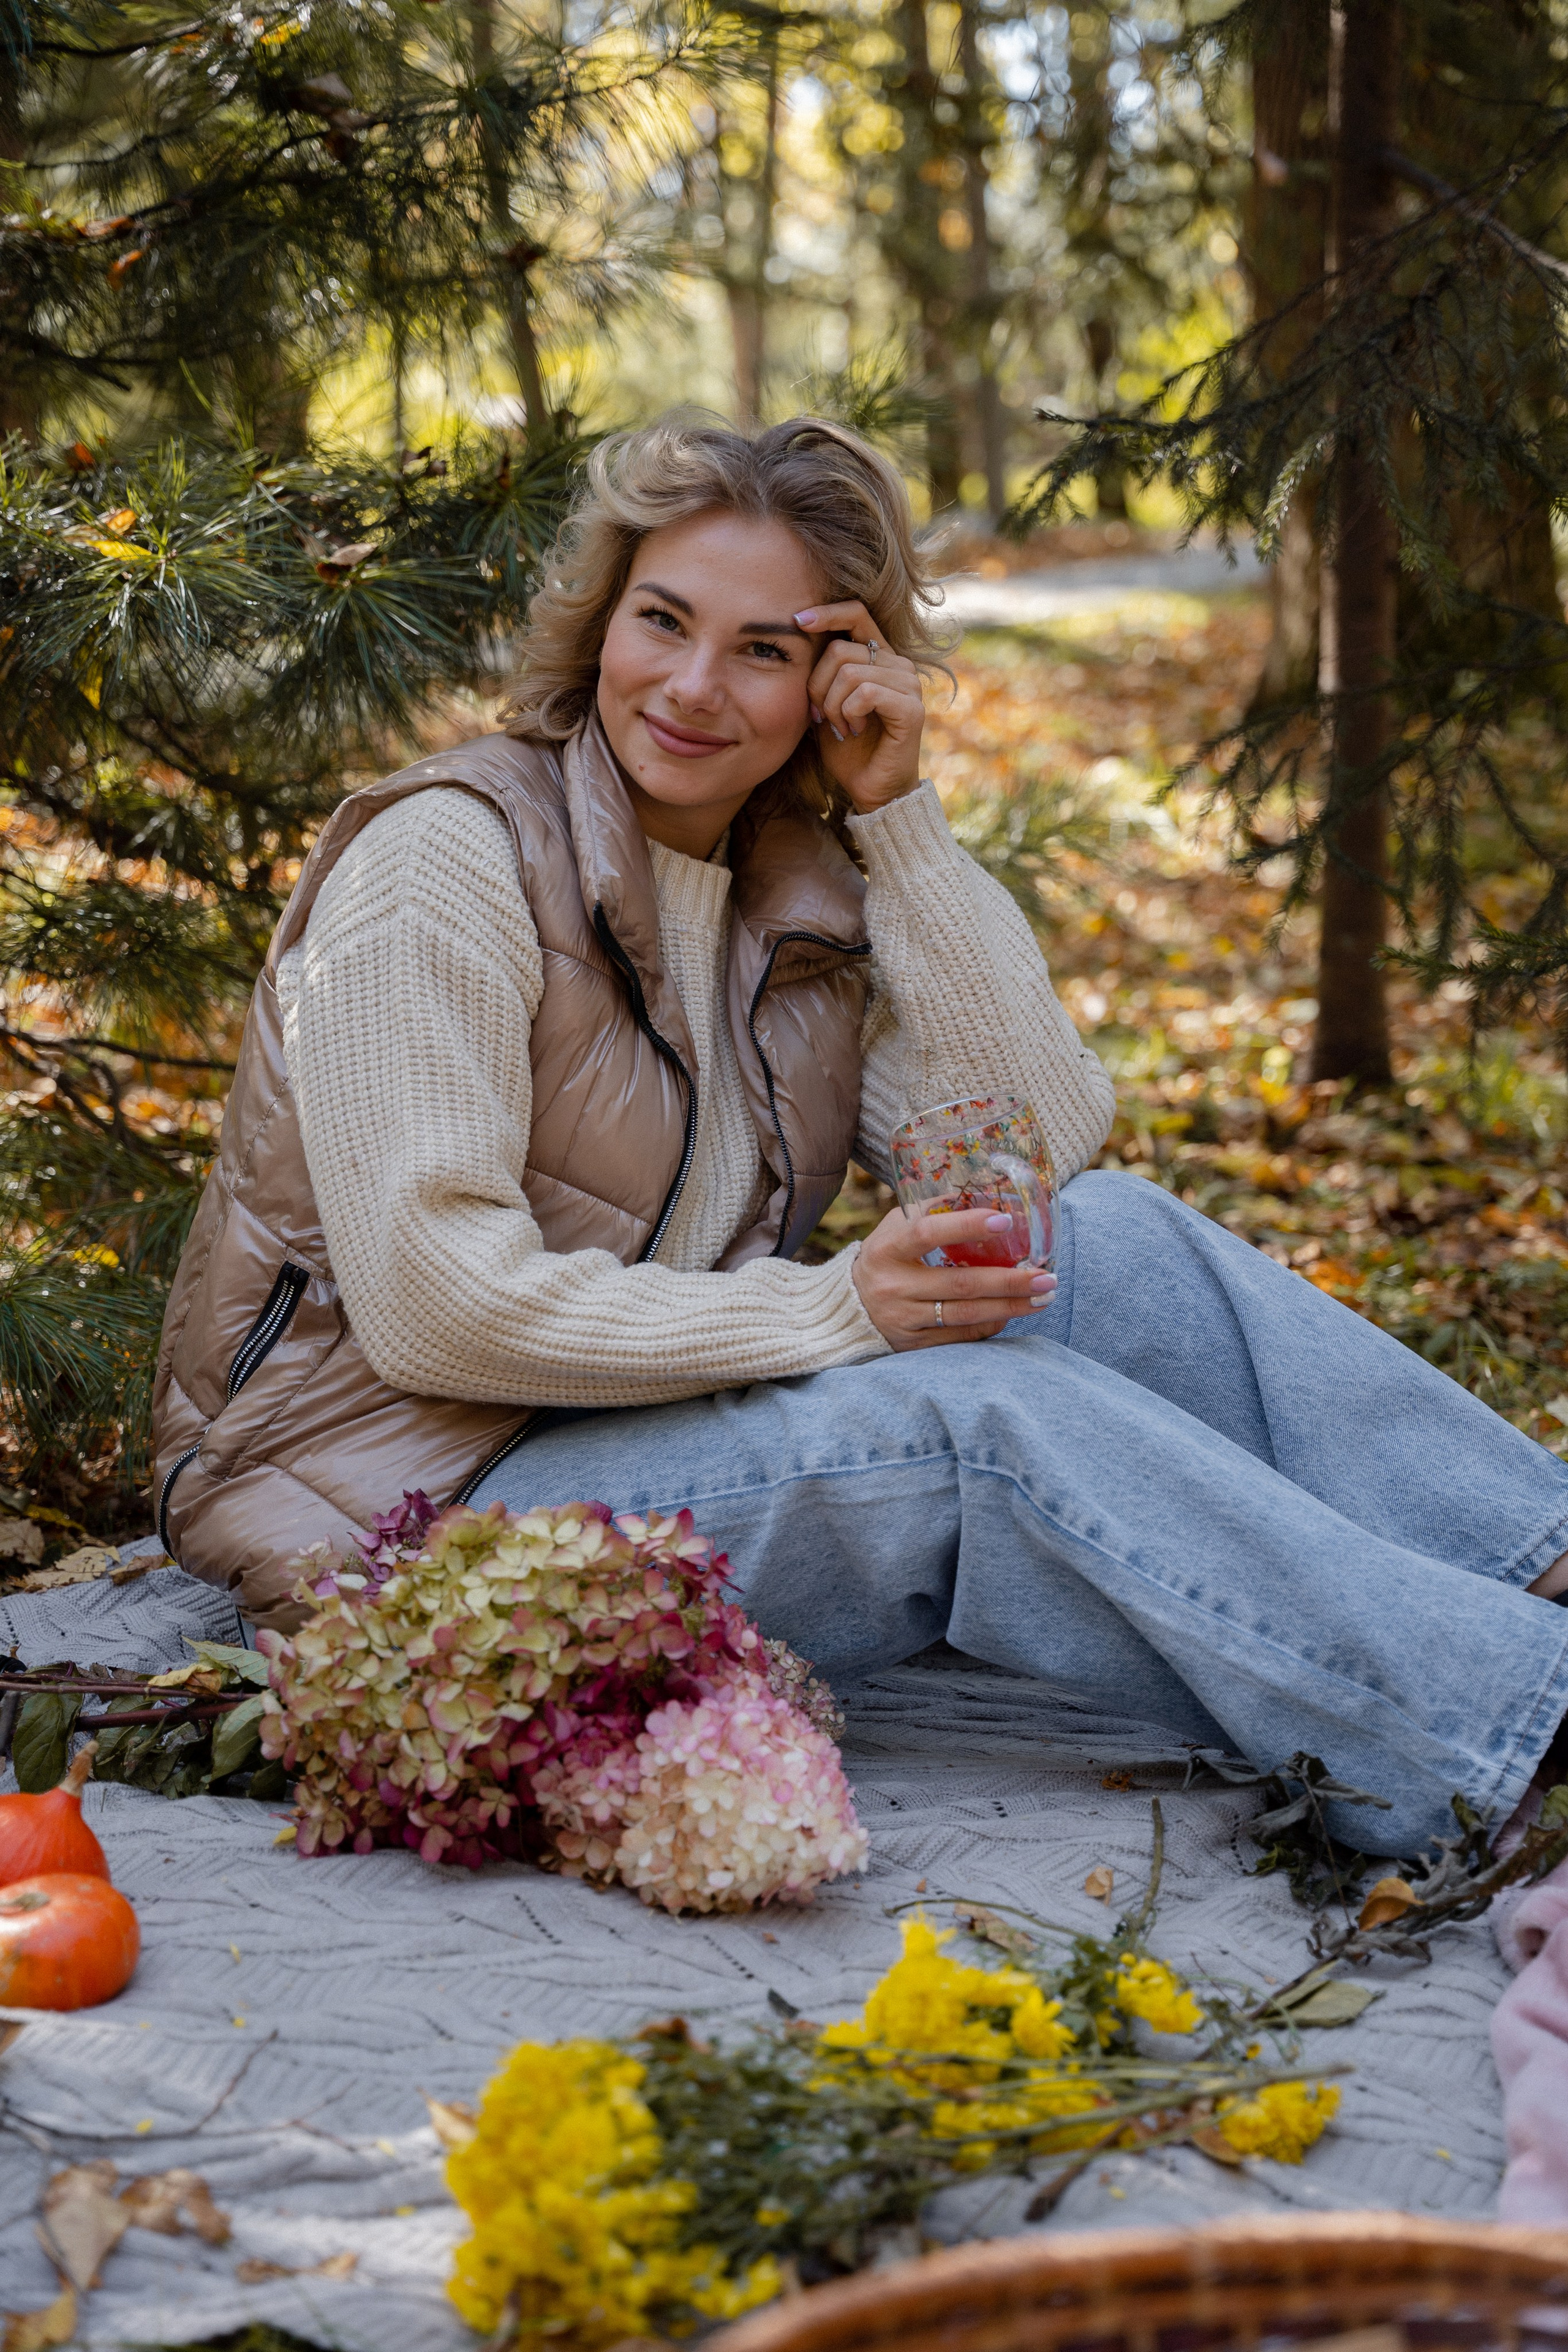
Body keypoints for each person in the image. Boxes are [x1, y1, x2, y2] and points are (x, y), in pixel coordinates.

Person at [151, 412, 1568, 1855]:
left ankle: (1539, 1560)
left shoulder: (790, 897)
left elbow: (1041, 1144)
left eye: (763, 649)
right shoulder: (446, 855)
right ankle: (1502, 1736)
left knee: (1113, 1246)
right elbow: (434, 1314)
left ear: (835, 680)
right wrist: (839, 1309)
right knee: (980, 1427)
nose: (693, 687)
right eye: (663, 620)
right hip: (403, 1528)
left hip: (626, 1429)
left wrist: (897, 820)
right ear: (599, 622)